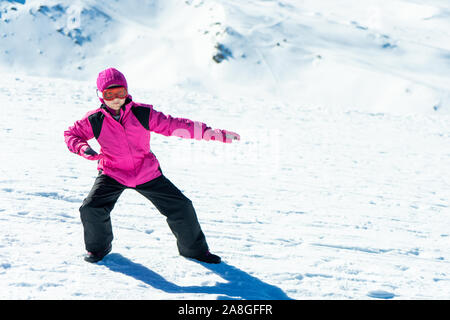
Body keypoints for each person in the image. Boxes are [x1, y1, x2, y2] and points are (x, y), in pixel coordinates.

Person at [64, 67, 240, 264]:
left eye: (120, 93)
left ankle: (195, 251)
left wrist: (212, 133)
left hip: (145, 172)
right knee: (91, 208)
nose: (115, 99)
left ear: (127, 91)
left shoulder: (142, 113)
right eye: (109, 94)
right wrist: (82, 148)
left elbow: (174, 125)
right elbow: (71, 134)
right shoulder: (94, 119)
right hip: (112, 172)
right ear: (100, 95)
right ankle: (98, 249)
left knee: (181, 207)